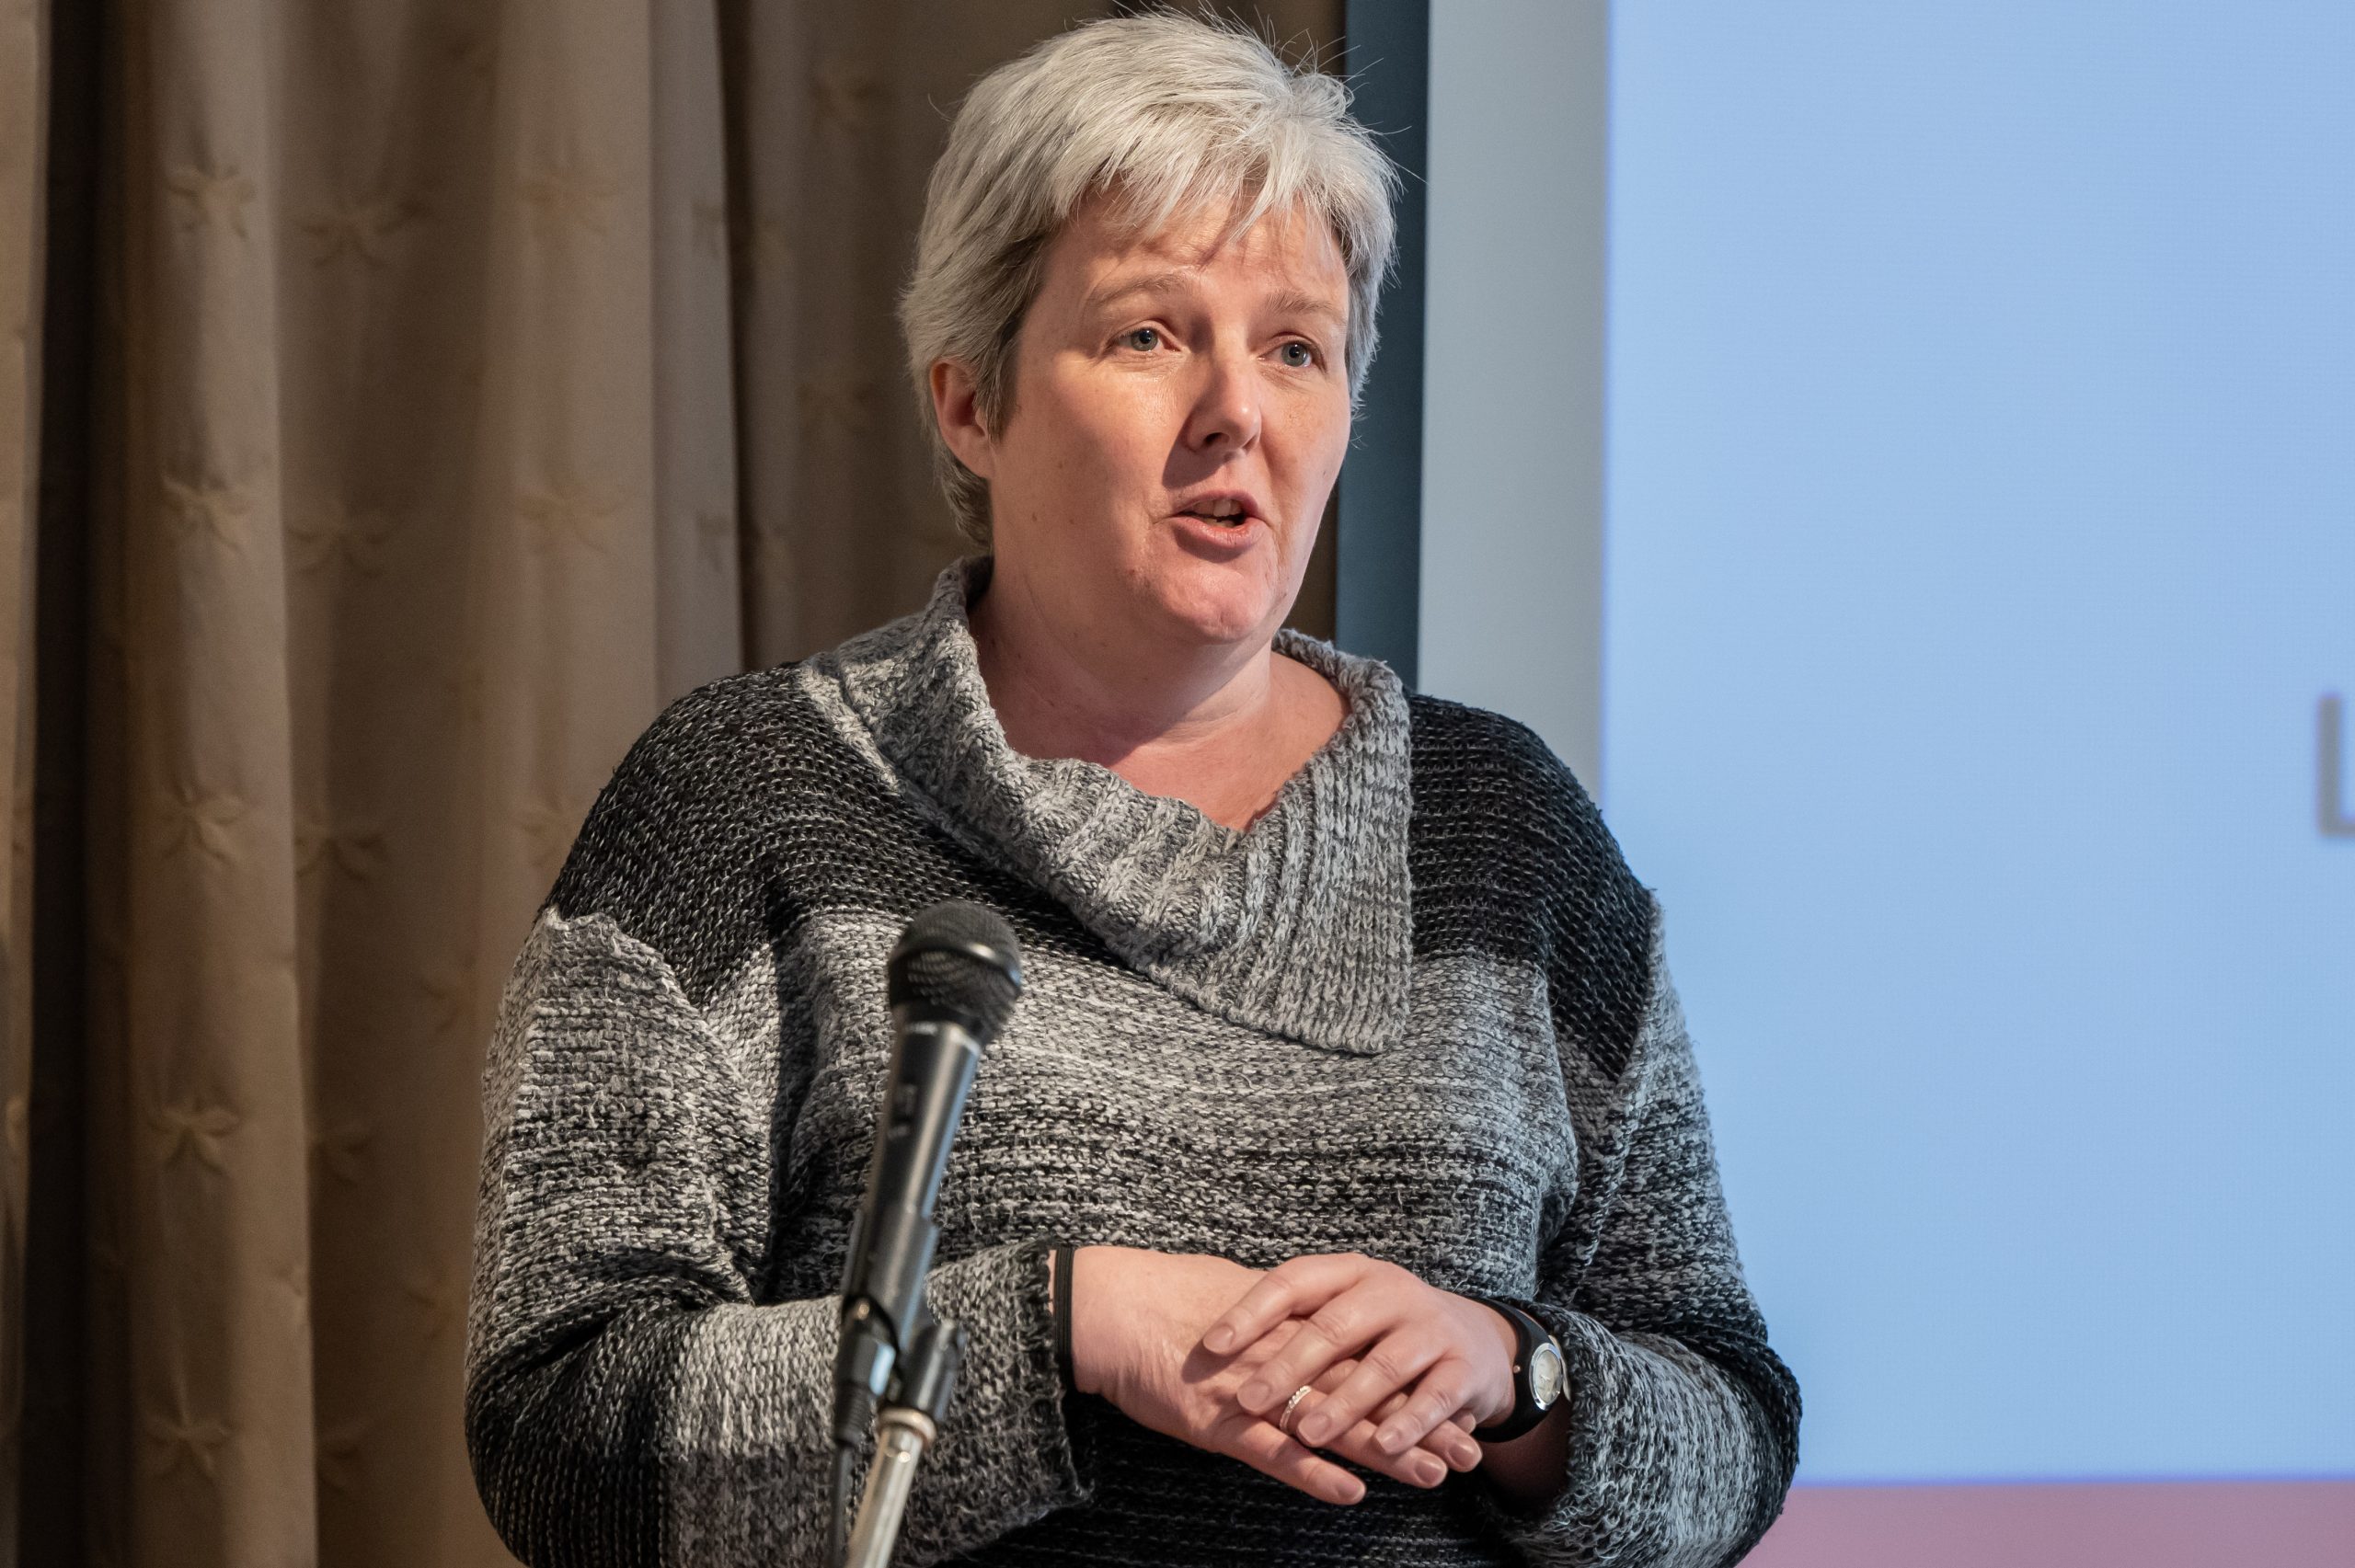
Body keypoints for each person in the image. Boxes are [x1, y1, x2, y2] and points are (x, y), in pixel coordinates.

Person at [463, 13, 1799, 1566]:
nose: (1238, 408)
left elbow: (1728, 1424)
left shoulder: (1507, 834)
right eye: (1151, 335)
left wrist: (1520, 1373)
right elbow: (563, 1434)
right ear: (972, 402)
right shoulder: (746, 803)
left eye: (1296, 349)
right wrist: (1064, 1321)